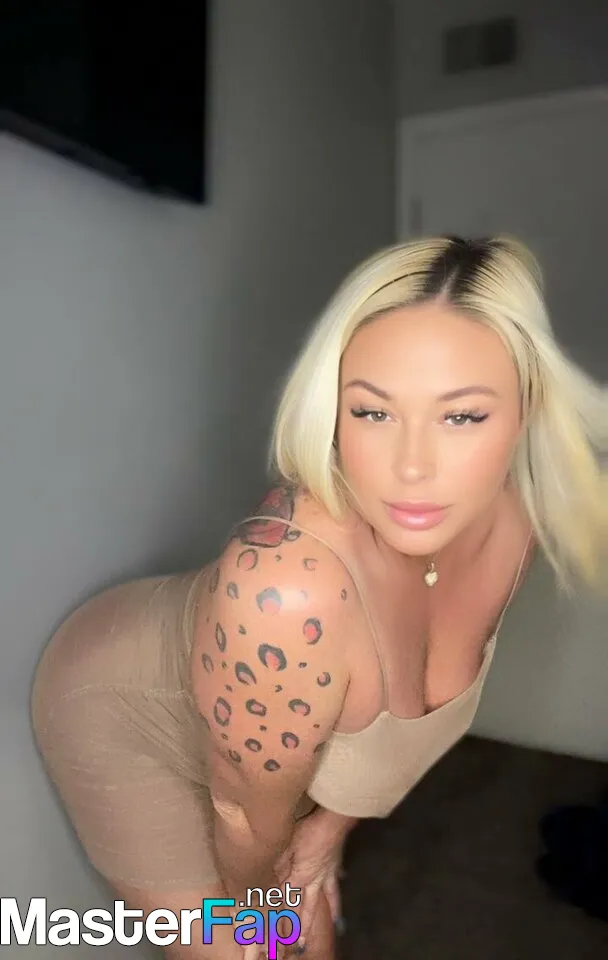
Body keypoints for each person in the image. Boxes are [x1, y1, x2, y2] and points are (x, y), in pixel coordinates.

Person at [31, 236, 607, 959]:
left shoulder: (512, 525)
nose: (412, 468)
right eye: (372, 413)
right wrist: (268, 918)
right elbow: (244, 820)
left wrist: (326, 833)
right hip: (124, 716)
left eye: (462, 416)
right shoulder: (287, 593)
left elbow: (408, 733)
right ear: (332, 409)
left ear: (526, 409)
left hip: (258, 739)